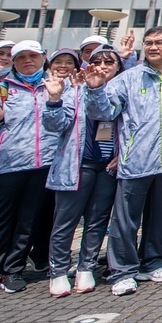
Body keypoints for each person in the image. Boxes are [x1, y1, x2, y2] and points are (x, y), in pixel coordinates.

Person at [83, 27, 162, 296]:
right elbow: (104, 113)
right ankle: (122, 270)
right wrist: (95, 89)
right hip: (136, 161)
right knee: (126, 220)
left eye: (159, 42)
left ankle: (153, 261)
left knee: (160, 216)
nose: (153, 47)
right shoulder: (128, 79)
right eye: (149, 43)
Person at [0, 40, 60, 297]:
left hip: (44, 164)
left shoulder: (54, 85)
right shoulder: (0, 86)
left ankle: (14, 269)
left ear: (43, 58)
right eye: (21, 57)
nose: (27, 61)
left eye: (33, 56)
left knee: (28, 221)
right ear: (13, 61)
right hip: (6, 165)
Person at [44, 44, 121, 297]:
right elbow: (55, 125)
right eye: (97, 61)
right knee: (65, 221)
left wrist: (121, 154)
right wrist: (54, 99)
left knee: (98, 220)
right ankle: (58, 270)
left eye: (110, 62)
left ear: (118, 67)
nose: (103, 66)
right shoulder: (73, 90)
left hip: (108, 166)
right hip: (77, 164)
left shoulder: (121, 90)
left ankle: (85, 267)